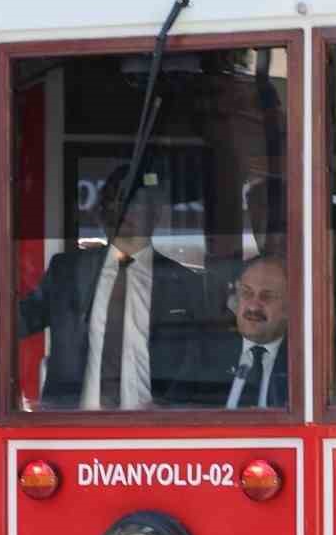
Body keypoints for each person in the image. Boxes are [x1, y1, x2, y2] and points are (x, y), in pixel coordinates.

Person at [18, 164, 203, 409]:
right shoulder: (67, 272)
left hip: (154, 425)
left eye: (133, 202)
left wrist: (170, 409)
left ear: (156, 212)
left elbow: (196, 363)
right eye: (114, 201)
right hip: (71, 424)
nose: (122, 210)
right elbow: (16, 323)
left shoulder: (183, 283)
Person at [209, 255, 289, 408]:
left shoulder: (304, 362)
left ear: (289, 306)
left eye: (267, 297)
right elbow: (177, 410)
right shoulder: (208, 352)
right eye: (246, 293)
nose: (253, 306)